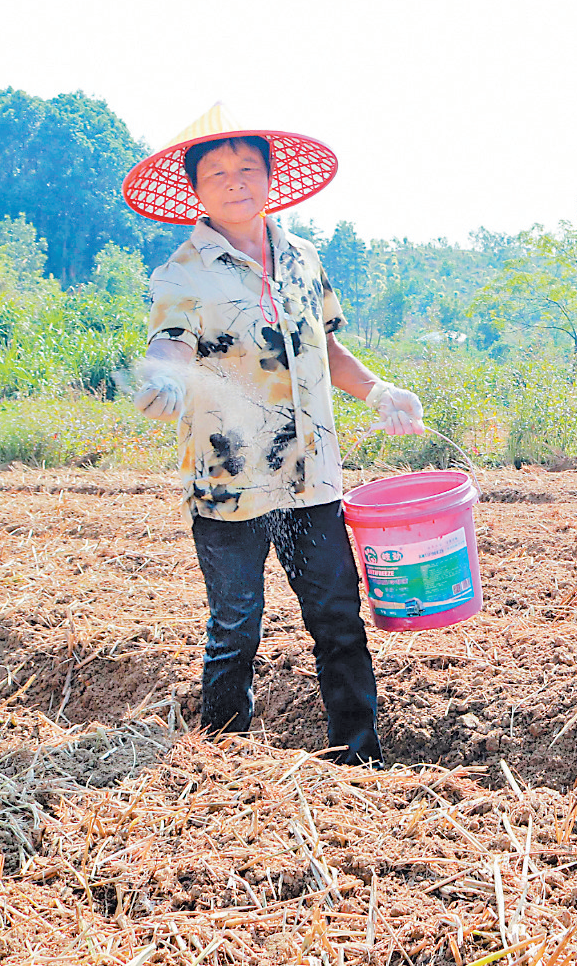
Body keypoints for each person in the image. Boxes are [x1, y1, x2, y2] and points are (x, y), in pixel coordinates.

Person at [121, 105, 423, 764]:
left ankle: (359, 756)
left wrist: (379, 389)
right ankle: (223, 762)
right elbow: (169, 345)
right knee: (235, 628)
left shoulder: (304, 259)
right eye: (218, 172)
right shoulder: (182, 273)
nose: (235, 182)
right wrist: (165, 379)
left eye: (247, 168)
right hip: (229, 485)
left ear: (270, 177)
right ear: (195, 190)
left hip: (311, 478)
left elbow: (330, 350)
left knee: (339, 623)